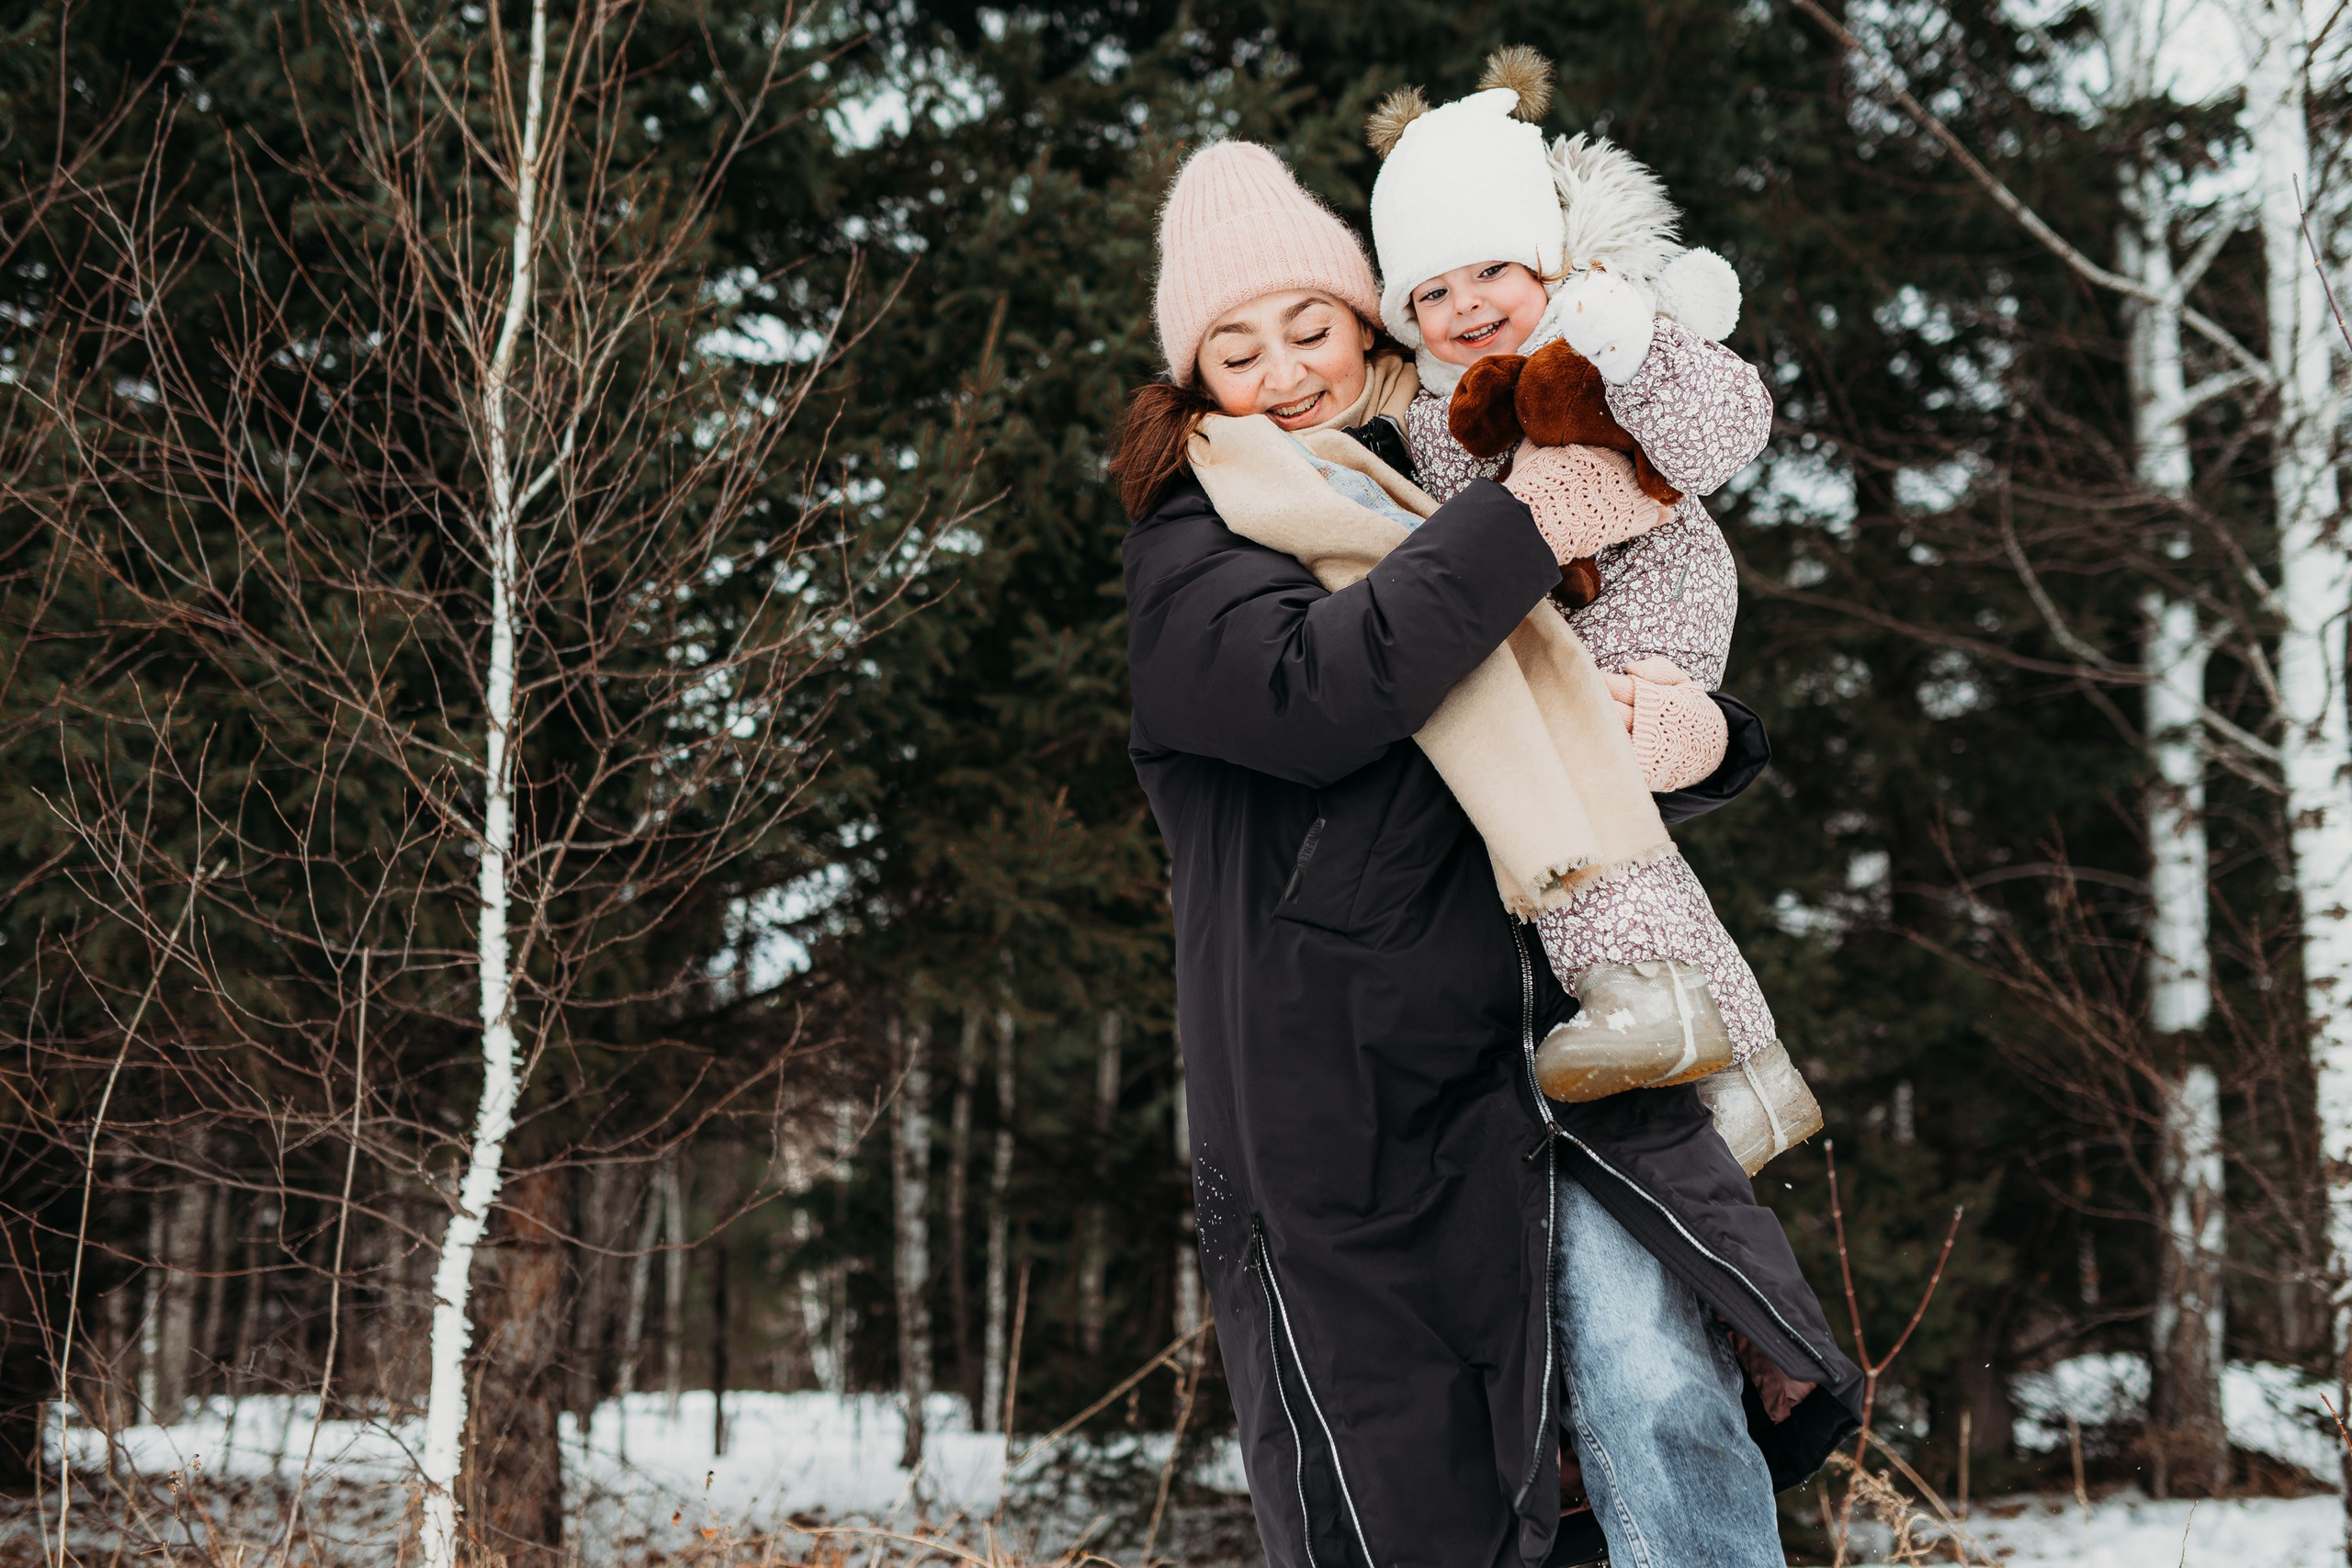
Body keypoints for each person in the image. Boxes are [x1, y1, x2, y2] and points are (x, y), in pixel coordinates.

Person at [1115, 137, 1864, 1568]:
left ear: (1368, 324)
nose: (1284, 371)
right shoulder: (1196, 549)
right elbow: (1325, 695)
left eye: (1311, 327)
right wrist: (1528, 517)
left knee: (1664, 1389)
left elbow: (1566, 710)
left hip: (1563, 1046)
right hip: (1359, 1102)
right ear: (1193, 380)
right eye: (1236, 350)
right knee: (1437, 1495)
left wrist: (1707, 736)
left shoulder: (1444, 470)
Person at [1365, 56, 1797, 1106]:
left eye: (1490, 271)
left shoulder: (1603, 334)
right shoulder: (1427, 411)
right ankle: (1750, 1077)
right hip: (1550, 626)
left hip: (1657, 596)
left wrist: (1635, 351)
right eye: (1433, 290)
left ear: (1547, 266)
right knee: (1597, 806)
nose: (1466, 304)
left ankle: (1641, 993)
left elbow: (1724, 429)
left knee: (1559, 781)